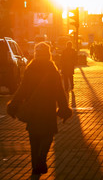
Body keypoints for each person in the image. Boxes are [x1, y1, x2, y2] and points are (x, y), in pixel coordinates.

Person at [7, 42, 72, 179]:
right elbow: (60, 92)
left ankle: (35, 169)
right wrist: (64, 108)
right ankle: (41, 159)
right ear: (48, 55)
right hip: (48, 109)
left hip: (33, 110)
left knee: (34, 140)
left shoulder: (30, 69)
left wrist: (13, 104)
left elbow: (22, 90)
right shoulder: (52, 69)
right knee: (48, 136)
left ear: (36, 55)